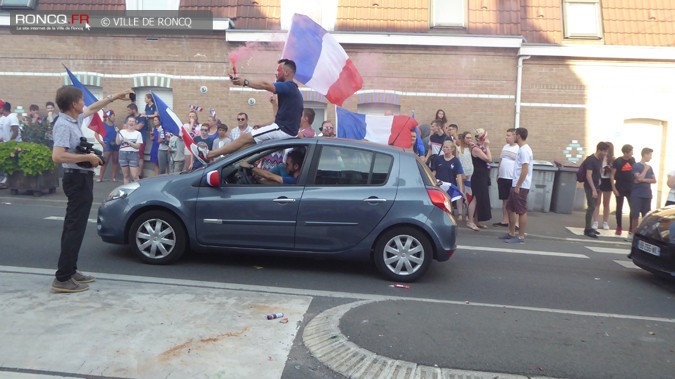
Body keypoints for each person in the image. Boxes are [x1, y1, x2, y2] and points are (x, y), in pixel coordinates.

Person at [51, 85, 132, 293]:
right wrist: (88, 157)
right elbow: (58, 156)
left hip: (82, 179)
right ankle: (62, 278)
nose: (83, 103)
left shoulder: (73, 119)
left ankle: (70, 270)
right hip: (75, 179)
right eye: (80, 100)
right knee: (73, 228)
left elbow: (93, 108)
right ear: (73, 104)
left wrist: (115, 96)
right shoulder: (63, 125)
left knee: (76, 228)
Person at [207, 59, 303, 158]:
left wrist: (244, 82)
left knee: (244, 137)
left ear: (286, 72)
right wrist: (264, 122)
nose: (276, 73)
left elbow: (265, 85)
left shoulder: (289, 86)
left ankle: (209, 154)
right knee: (248, 145)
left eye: (278, 70)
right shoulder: (292, 91)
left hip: (283, 131)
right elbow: (277, 117)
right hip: (285, 131)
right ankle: (225, 160)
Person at [504, 127, 533, 243]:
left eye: (515, 134)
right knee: (510, 208)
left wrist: (518, 186)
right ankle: (511, 233)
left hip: (521, 186)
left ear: (519, 136)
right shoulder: (521, 149)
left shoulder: (525, 150)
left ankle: (521, 236)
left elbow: (525, 170)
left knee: (521, 211)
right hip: (516, 183)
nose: (513, 136)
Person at [627, 148, 656, 241]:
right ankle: (633, 233)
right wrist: (645, 170)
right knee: (635, 215)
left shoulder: (650, 167)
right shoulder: (636, 165)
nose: (650, 157)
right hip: (637, 194)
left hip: (647, 194)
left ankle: (643, 235)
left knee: (646, 216)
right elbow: (638, 178)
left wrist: (643, 180)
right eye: (650, 155)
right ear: (645, 154)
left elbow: (654, 180)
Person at [582, 142, 610, 238]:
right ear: (599, 150)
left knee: (593, 206)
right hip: (590, 187)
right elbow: (588, 175)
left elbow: (598, 172)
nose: (606, 153)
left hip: (597, 186)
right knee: (591, 207)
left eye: (607, 152)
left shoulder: (599, 159)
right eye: (605, 151)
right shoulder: (591, 160)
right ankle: (587, 229)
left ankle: (590, 228)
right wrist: (593, 189)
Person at [432, 140, 465, 219]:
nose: (444, 149)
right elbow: (434, 172)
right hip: (439, 185)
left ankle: (456, 214)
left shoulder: (456, 161)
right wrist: (431, 182)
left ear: (452, 149)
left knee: (451, 202)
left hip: (450, 186)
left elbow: (459, 175)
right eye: (444, 147)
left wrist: (460, 189)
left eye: (447, 147)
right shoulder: (438, 159)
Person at [467, 128, 492, 231]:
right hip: (478, 176)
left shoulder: (480, 148)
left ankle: (477, 220)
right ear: (482, 138)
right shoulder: (476, 149)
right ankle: (470, 221)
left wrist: (485, 147)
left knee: (480, 198)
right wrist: (487, 147)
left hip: (483, 175)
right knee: (475, 198)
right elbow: (489, 159)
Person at [494, 128, 519, 227]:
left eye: (508, 135)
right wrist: (498, 174)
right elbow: (501, 161)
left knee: (513, 201)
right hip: (503, 177)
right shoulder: (505, 147)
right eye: (506, 135)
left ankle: (516, 223)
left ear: (514, 136)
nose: (506, 137)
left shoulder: (518, 149)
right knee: (504, 200)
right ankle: (505, 220)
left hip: (512, 178)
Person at [240, 148, 304, 185]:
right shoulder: (298, 180)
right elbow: (276, 184)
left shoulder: (294, 181)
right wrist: (259, 180)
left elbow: (270, 176)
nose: (285, 167)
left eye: (287, 164)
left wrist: (250, 166)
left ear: (296, 166)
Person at [610, 144, 635, 235]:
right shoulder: (618, 161)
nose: (632, 153)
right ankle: (619, 227)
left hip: (630, 187)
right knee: (619, 208)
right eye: (631, 151)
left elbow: (634, 173)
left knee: (632, 208)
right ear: (625, 152)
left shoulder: (632, 160)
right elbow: (612, 175)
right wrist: (614, 188)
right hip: (620, 187)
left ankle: (631, 227)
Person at [593, 141, 614, 231]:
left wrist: (609, 169)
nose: (605, 151)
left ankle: (605, 222)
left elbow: (614, 172)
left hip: (607, 180)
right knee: (597, 202)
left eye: (607, 149)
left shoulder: (613, 159)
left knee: (606, 203)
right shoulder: (599, 158)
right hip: (599, 179)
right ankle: (595, 221)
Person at [116, 115, 144, 184]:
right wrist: (117, 133)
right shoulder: (122, 132)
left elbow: (137, 146)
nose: (131, 123)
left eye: (133, 121)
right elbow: (117, 142)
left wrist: (128, 142)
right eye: (130, 121)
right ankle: (127, 191)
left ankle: (137, 191)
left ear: (135, 123)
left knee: (135, 176)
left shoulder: (138, 133)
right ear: (127, 123)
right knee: (126, 175)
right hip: (123, 154)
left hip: (133, 154)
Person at [95, 110, 120, 182]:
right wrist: (100, 142)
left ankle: (113, 178)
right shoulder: (103, 125)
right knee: (105, 161)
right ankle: (100, 177)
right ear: (109, 117)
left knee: (115, 160)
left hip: (115, 144)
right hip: (107, 144)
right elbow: (96, 134)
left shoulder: (115, 126)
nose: (114, 117)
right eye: (113, 116)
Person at [127, 103, 147, 176]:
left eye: (129, 110)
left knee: (140, 156)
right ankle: (133, 174)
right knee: (133, 156)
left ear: (134, 110)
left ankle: (139, 174)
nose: (128, 112)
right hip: (131, 140)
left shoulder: (142, 117)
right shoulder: (129, 117)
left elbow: (139, 127)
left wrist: (130, 125)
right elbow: (124, 127)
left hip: (141, 140)